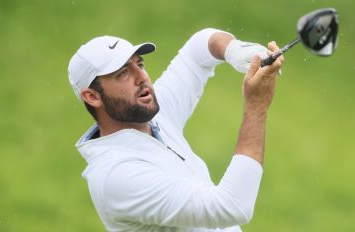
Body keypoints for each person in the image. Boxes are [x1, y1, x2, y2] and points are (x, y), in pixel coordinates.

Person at [68, 28, 284, 232]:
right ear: (92, 97)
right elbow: (232, 206)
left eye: (139, 64)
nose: (141, 77)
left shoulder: (150, 118)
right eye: (123, 73)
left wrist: (236, 50)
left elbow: (199, 47)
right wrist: (256, 106)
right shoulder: (117, 176)